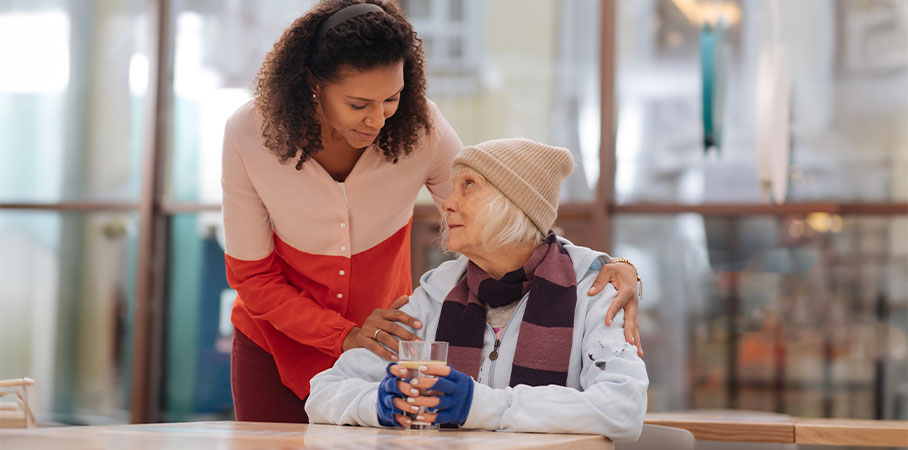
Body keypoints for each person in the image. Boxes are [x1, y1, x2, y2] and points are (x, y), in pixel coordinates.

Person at [222, 0, 643, 424]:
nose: (377, 120)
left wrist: (603, 267)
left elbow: (501, 213)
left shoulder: (419, 126)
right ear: (314, 83)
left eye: (391, 98)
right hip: (276, 342)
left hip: (385, 337)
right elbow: (252, 276)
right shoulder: (249, 134)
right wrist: (344, 334)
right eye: (358, 104)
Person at [305, 139, 648, 441]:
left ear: (516, 205)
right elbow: (324, 392)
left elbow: (623, 408)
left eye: (468, 185)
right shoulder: (435, 294)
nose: (447, 203)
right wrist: (380, 404)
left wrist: (478, 405)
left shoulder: (594, 290)